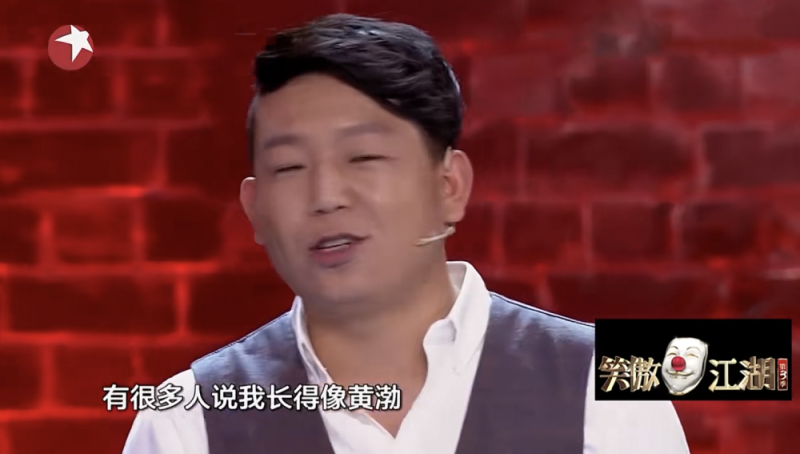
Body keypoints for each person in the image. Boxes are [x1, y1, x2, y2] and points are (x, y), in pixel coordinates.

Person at [122, 13, 690, 454]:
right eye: (289, 168)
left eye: (364, 157)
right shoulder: (186, 422)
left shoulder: (606, 390)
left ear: (450, 186)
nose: (326, 196)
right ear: (255, 210)